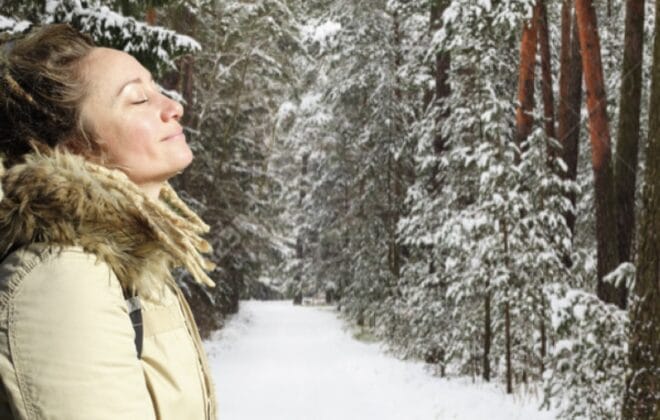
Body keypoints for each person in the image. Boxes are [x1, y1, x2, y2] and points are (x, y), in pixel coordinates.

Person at [0, 24, 218, 419]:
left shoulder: (123, 261)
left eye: (155, 89)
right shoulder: (63, 278)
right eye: (138, 100)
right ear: (73, 148)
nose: (173, 107)